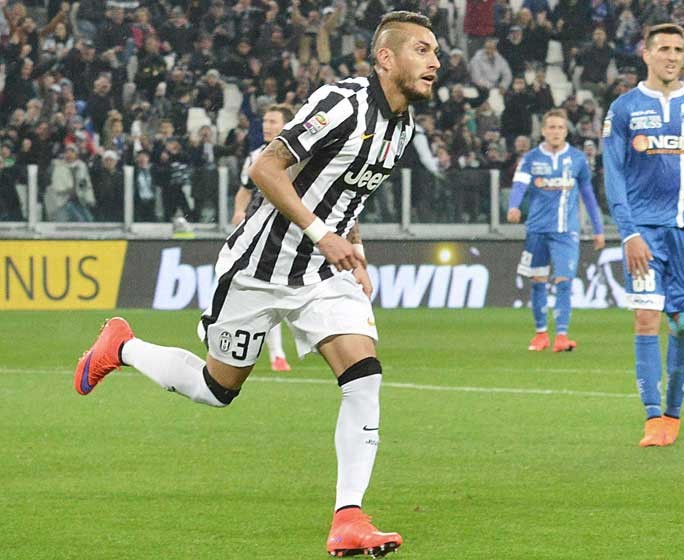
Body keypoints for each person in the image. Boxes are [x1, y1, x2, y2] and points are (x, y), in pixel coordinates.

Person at [73, 11, 440, 558]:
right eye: (422, 50)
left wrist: (355, 251)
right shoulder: (342, 103)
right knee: (217, 389)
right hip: (257, 269)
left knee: (364, 377)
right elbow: (265, 169)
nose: (435, 61)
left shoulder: (403, 126)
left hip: (321, 273)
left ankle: (348, 517)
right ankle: (122, 346)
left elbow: (350, 194)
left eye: (436, 52)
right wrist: (321, 233)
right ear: (386, 58)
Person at [602, 23, 684, 448]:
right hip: (644, 234)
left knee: (681, 324)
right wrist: (628, 233)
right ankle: (653, 418)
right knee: (646, 318)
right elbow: (613, 175)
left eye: (678, 50)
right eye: (664, 48)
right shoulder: (624, 109)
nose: (672, 56)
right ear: (646, 54)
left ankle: (674, 413)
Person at [507, 109, 605, 353]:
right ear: (543, 131)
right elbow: (519, 185)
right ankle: (541, 334)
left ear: (566, 131)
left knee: (564, 281)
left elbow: (588, 195)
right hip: (537, 230)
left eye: (560, 127)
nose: (556, 132)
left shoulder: (577, 159)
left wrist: (598, 229)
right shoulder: (531, 158)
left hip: (566, 232)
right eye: (551, 127)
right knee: (538, 281)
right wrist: (513, 206)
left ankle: (562, 336)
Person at [231, 103, 295, 372]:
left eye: (273, 121)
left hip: (297, 231)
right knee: (270, 289)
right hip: (267, 234)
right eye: (265, 121)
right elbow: (245, 189)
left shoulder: (300, 155)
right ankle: (276, 354)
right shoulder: (256, 156)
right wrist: (238, 211)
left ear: (287, 125)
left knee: (291, 290)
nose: (267, 126)